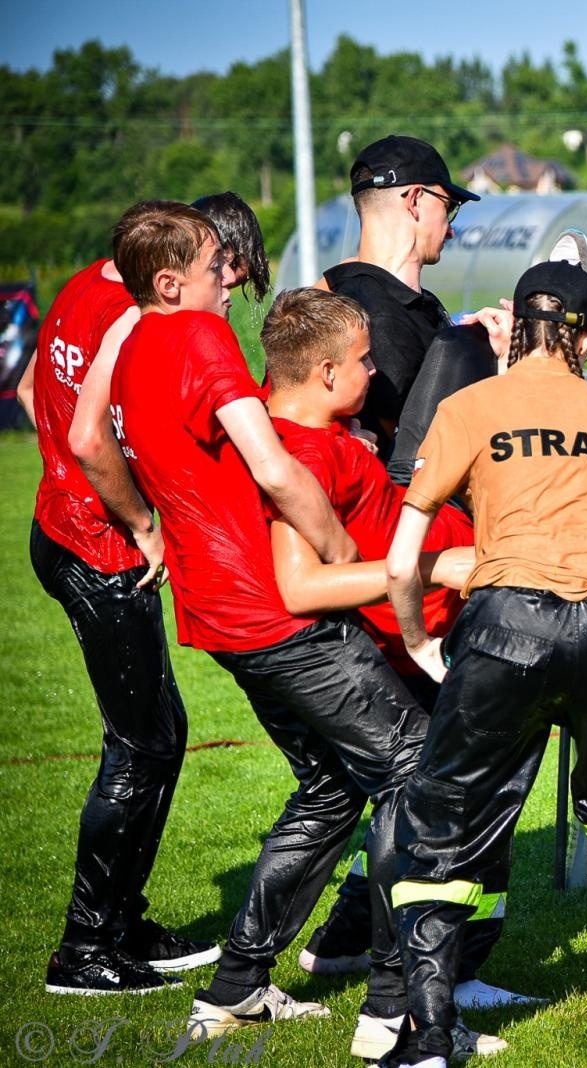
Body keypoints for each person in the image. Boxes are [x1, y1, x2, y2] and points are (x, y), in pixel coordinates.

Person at [100, 201, 418, 1043]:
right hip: (273, 612)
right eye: (216, 264)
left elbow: (90, 437)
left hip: (216, 616)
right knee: (413, 767)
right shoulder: (197, 335)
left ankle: (236, 986)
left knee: (332, 786)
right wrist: (340, 550)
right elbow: (274, 468)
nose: (231, 275)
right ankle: (399, 1004)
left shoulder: (129, 341)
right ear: (172, 283)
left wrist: (147, 525)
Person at [381, 261, 587, 1066]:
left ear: (518, 326)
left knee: (442, 819)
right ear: (583, 338)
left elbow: (404, 562)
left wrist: (418, 641)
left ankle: (429, 1033)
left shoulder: (467, 406)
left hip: (510, 621)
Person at [255, 287, 507, 1059]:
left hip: (408, 624)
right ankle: (395, 1009)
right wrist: (434, 566)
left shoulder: (327, 439)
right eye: (365, 362)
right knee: (419, 794)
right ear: (327, 372)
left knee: (339, 799)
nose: (377, 374)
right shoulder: (301, 456)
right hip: (390, 641)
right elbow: (302, 585)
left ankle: (252, 978)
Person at [29, 233, 213, 996]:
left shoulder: (81, 285)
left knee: (160, 734)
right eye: (219, 271)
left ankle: (120, 923)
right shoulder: (130, 319)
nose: (224, 289)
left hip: (60, 526)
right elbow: (87, 436)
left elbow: (30, 391)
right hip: (97, 548)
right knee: (140, 747)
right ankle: (83, 948)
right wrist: (142, 523)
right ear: (169, 278)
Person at [322, 134, 477, 461]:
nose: (451, 230)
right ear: (415, 200)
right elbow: (422, 444)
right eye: (448, 207)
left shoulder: (338, 290)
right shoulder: (380, 315)